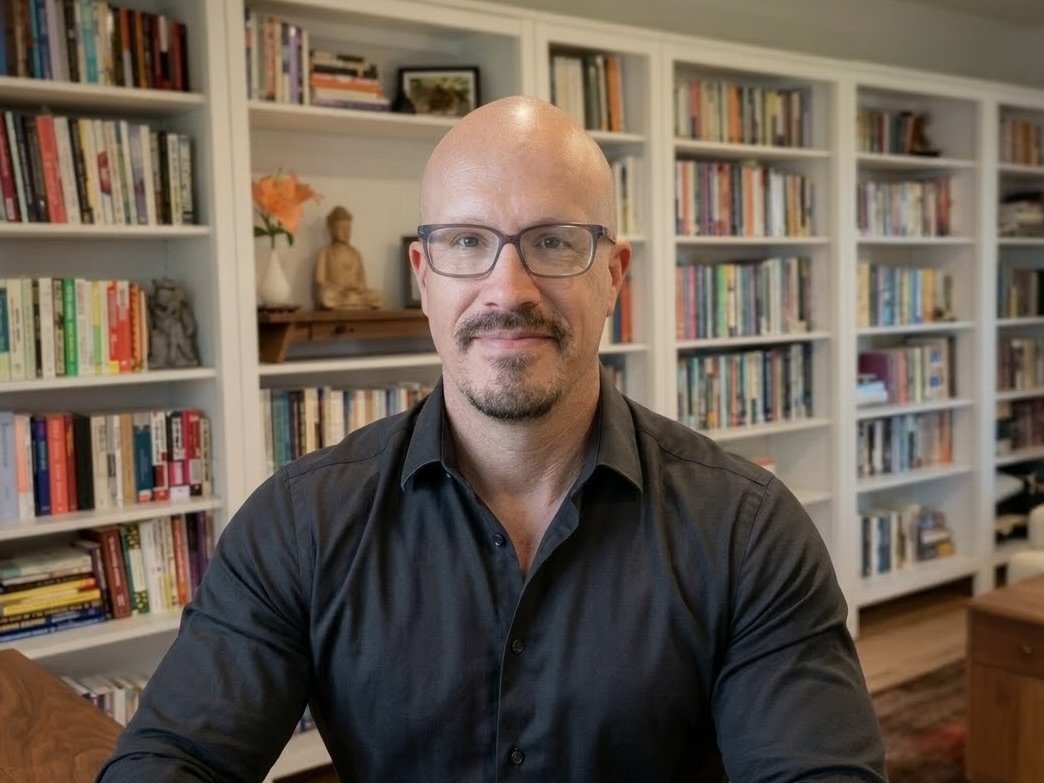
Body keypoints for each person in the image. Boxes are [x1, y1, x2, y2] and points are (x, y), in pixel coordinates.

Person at [97, 96, 886, 782]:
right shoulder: (299, 524)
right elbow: (175, 758)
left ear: (614, 275)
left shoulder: (747, 530)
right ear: (423, 275)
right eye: (467, 243)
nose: (507, 290)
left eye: (553, 241)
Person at [313, 205, 384, 310]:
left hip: (355, 294)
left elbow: (362, 282)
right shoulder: (325, 253)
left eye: (348, 228)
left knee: (377, 296)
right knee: (325, 296)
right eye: (341, 228)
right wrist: (340, 288)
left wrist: (356, 287)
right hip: (337, 294)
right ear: (331, 229)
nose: (346, 232)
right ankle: (351, 302)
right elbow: (320, 281)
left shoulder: (355, 254)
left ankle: (353, 302)